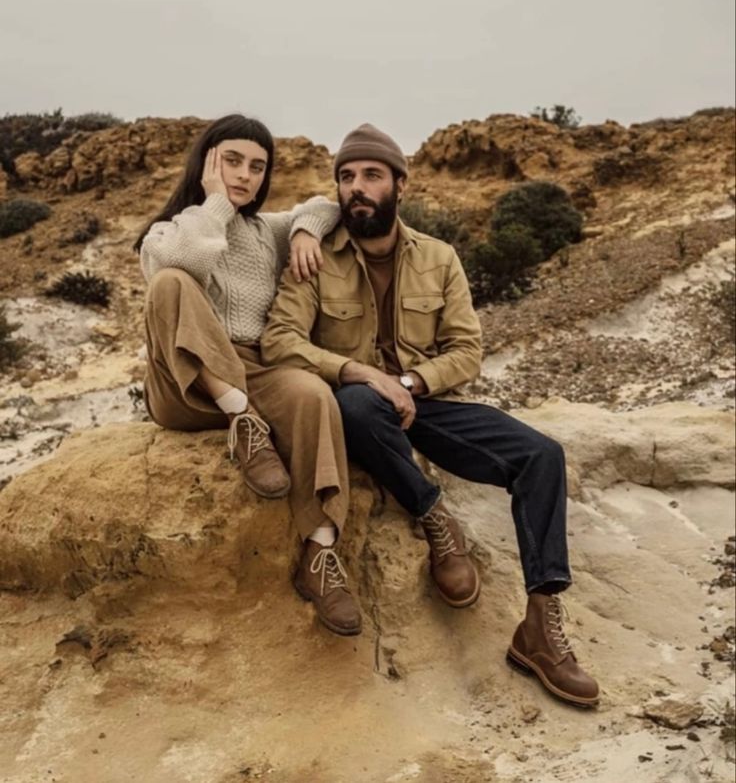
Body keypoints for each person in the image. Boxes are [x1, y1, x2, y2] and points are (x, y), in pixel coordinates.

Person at [260, 123, 599, 706]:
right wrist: (362, 373)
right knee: (357, 404)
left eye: (370, 175)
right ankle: (433, 514)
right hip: (357, 403)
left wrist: (411, 383)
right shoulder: (313, 256)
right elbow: (279, 341)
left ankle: (540, 625)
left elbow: (467, 348)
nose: (356, 188)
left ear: (400, 184)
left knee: (542, 456)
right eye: (346, 177)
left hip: (427, 403)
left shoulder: (440, 258)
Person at [134, 114, 361, 636]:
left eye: (257, 167)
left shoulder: (267, 231)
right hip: (187, 383)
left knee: (313, 395)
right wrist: (214, 200)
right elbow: (185, 262)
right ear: (206, 163)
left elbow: (327, 206)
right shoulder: (169, 229)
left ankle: (320, 555)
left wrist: (303, 231)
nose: (245, 175)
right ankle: (244, 424)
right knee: (170, 283)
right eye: (232, 161)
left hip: (257, 370)